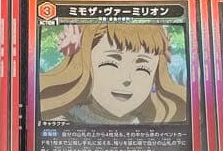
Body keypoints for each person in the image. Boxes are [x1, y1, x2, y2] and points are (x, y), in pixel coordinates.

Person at [39, 23, 187, 124]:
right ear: (84, 65)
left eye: (143, 67)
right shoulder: (55, 120)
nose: (127, 79)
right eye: (111, 63)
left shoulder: (165, 119)